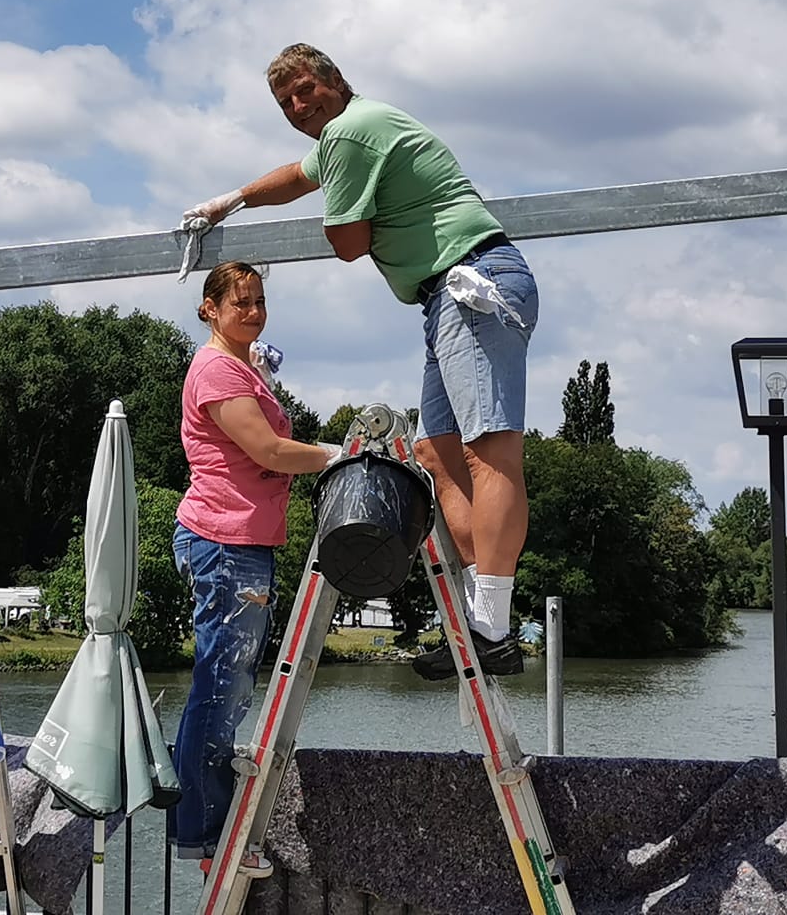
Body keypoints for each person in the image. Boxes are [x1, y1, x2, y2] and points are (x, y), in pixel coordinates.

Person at [184, 43, 539, 677]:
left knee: (491, 450)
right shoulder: (340, 141)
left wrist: (357, 202)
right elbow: (295, 175)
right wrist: (230, 201)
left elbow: (347, 243)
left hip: (473, 283)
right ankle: (473, 614)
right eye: (286, 101)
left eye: (306, 90)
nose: (299, 105)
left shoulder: (350, 132)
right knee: (434, 452)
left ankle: (492, 622)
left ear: (336, 82)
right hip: (441, 299)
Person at [171, 261, 338, 872]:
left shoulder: (239, 365)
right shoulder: (216, 369)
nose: (254, 311)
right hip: (224, 540)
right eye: (240, 302)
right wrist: (341, 457)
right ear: (210, 307)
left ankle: (208, 831)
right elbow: (266, 449)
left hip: (237, 540)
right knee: (222, 686)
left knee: (228, 684)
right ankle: (209, 837)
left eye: (260, 300)